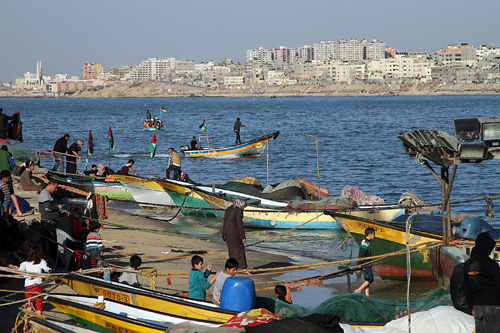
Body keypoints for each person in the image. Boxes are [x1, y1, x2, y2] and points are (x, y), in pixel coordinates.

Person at [463, 232, 500, 332]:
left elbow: (466, 289)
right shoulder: (492, 264)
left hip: (477, 307)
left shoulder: (467, 265)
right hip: (492, 306)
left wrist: (472, 307)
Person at [10, 244, 51, 315]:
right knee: (38, 304)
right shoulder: (42, 262)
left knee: (29, 304)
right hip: (36, 286)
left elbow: (21, 272)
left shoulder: (24, 263)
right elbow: (47, 268)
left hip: (28, 287)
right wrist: (50, 271)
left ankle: (26, 324)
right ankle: (39, 317)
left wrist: (28, 276)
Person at [222, 198, 248, 270]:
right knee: (240, 250)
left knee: (232, 251)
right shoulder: (238, 211)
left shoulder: (229, 209)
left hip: (226, 232)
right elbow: (239, 224)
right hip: (233, 233)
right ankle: (243, 268)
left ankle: (232, 268)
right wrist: (242, 237)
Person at [354, 227, 375, 296]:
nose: (374, 236)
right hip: (365, 263)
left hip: (368, 263)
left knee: (367, 278)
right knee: (370, 279)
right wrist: (359, 265)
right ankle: (358, 290)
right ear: (370, 234)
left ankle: (367, 294)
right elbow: (361, 254)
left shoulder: (367, 242)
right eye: (373, 234)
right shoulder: (365, 243)